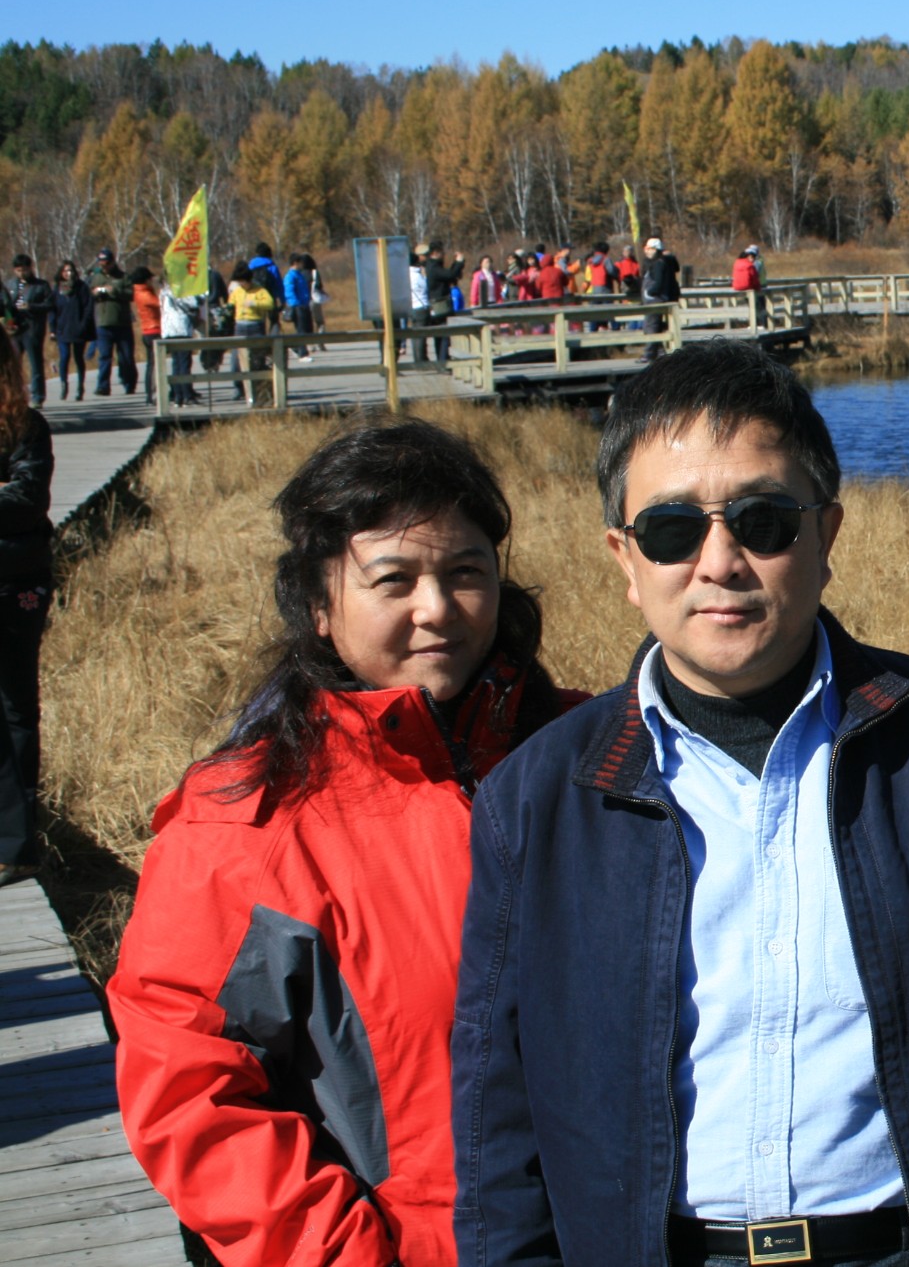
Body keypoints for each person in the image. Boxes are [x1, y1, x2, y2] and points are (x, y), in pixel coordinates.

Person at [452, 341, 909, 1267]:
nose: (720, 561)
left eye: (764, 519)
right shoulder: (535, 800)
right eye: (670, 530)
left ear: (827, 537)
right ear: (624, 558)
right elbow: (501, 1120)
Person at [108, 418, 583, 1267]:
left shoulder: (594, 751)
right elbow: (191, 1089)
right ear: (320, 606)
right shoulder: (244, 823)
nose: (436, 607)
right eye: (392, 579)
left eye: (465, 572)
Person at [0, 328, 52, 886]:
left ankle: (17, 839)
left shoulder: (25, 425)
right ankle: (17, 836)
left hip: (17, 580)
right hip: (20, 566)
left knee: (17, 709)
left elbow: (25, 499)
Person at [87, 247, 137, 397]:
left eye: (107, 263)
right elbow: (89, 293)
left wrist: (113, 291)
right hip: (103, 322)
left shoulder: (123, 277)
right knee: (104, 356)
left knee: (126, 356)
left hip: (122, 322)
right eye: (101, 263)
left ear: (113, 262)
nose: (104, 266)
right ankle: (103, 386)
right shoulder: (96, 277)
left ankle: (129, 383)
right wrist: (95, 293)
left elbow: (131, 294)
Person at [8, 254, 53, 408]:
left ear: (30, 268)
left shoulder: (41, 285)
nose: (22, 273)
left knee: (35, 363)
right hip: (15, 329)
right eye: (19, 270)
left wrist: (31, 306)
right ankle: (15, 395)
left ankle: (38, 396)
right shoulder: (10, 286)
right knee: (13, 364)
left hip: (32, 328)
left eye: (25, 270)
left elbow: (50, 305)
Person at [228, 260, 274, 403]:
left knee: (257, 360)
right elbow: (231, 304)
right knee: (236, 360)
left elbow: (270, 304)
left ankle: (259, 390)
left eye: (244, 282)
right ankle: (238, 388)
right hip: (240, 326)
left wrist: (254, 304)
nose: (242, 285)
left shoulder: (260, 290)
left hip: (255, 326)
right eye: (239, 282)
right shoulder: (237, 292)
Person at [51, 260, 94, 402]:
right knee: (64, 357)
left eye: (71, 271)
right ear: (61, 273)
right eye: (65, 271)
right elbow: (53, 310)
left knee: (78, 357)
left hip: (78, 328)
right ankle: (64, 384)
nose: (68, 274)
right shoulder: (57, 289)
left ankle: (80, 386)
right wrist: (53, 329)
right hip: (63, 329)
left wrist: (83, 324)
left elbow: (88, 307)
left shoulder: (81, 287)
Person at [158, 275, 201, 407]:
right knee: (184, 363)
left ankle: (177, 395)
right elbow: (193, 303)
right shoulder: (180, 290)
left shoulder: (163, 291)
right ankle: (187, 395)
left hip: (168, 330)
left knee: (176, 363)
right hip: (181, 329)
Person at [425, 242, 467, 363]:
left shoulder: (433, 266)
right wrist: (459, 262)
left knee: (441, 336)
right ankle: (443, 361)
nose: (444, 255)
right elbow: (450, 275)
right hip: (440, 306)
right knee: (443, 335)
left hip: (439, 305)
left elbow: (450, 275)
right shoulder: (434, 268)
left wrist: (457, 263)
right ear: (435, 253)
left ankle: (442, 360)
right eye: (442, 252)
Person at [641, 236, 682, 356]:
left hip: (655, 299)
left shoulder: (659, 263)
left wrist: (650, 292)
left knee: (651, 326)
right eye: (646, 248)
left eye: (649, 248)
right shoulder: (666, 261)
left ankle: (649, 354)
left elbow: (658, 283)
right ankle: (660, 351)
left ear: (656, 249)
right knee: (658, 326)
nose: (647, 251)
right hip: (665, 298)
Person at [129, 265, 161, 398]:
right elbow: (160, 303)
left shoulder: (139, 291)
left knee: (153, 363)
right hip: (153, 330)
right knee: (153, 364)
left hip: (148, 330)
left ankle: (152, 392)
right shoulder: (144, 294)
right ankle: (150, 393)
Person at [283, 253, 315, 361]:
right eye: (300, 262)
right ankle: (303, 354)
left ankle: (295, 347)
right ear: (295, 263)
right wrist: (295, 304)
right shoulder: (290, 276)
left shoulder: (299, 274)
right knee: (301, 330)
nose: (302, 264)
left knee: (306, 329)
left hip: (304, 304)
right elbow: (289, 292)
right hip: (297, 306)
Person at [249, 243, 286, 333]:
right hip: (270, 296)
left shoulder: (251, 265)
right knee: (274, 320)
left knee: (259, 320)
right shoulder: (272, 266)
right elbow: (279, 284)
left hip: (255, 296)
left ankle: (260, 341)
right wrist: (282, 300)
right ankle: (274, 341)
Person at [731, 244, 763, 328]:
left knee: (750, 305)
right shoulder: (750, 265)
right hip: (748, 287)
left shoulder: (737, 263)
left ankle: (751, 323)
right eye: (753, 258)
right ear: (749, 256)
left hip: (737, 287)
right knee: (756, 306)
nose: (753, 260)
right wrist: (758, 288)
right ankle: (756, 324)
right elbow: (755, 278)